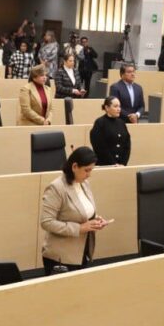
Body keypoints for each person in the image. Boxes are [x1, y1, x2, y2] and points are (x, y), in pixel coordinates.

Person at [40, 146, 108, 274]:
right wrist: (79, 228)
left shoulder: (84, 183)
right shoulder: (56, 188)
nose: (89, 175)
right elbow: (46, 222)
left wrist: (95, 219)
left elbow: (82, 211)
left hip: (82, 251)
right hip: (61, 257)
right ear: (74, 166)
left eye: (91, 170)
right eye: (86, 170)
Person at [90, 97, 130, 166]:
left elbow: (127, 144)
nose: (119, 109)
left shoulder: (121, 122)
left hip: (121, 165)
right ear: (107, 108)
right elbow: (99, 147)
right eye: (115, 106)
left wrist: (123, 163)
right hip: (104, 165)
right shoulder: (100, 123)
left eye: (119, 106)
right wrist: (112, 163)